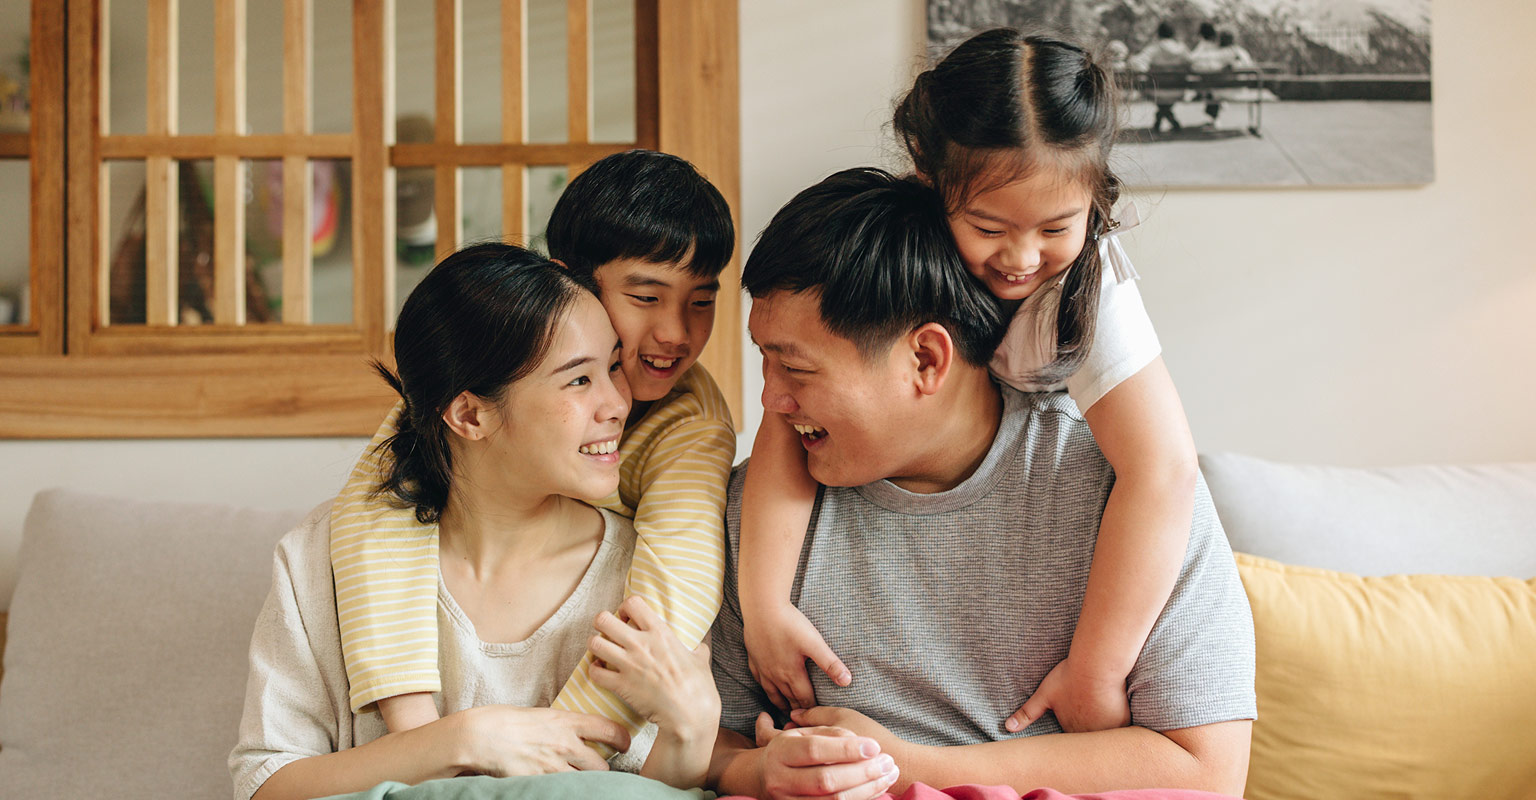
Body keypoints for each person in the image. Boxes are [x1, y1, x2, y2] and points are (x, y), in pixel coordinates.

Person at [706, 167, 1255, 799]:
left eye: (796, 368)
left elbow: (1207, 773)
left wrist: (912, 766)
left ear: (927, 359)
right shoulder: (757, 523)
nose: (770, 399)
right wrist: (752, 770)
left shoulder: (1134, 494)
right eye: (765, 360)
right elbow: (703, 743)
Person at [739, 28, 1202, 740]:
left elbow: (1164, 470)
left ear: (1094, 201)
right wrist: (765, 603)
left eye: (1056, 225)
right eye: (988, 225)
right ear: (931, 180)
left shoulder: (1086, 284)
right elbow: (784, 416)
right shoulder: (905, 237)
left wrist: (1096, 669)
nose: (1019, 258)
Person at [231, 245, 721, 799]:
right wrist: (463, 740)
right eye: (578, 381)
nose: (617, 404)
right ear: (470, 414)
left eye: (611, 366)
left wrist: (691, 736)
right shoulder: (320, 562)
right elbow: (263, 785)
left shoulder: (648, 581)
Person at [327, 150, 737, 747]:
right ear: (566, 280)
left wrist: (576, 742)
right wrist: (418, 734)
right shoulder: (473, 390)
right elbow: (375, 510)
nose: (677, 333)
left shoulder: (691, 422)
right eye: (647, 297)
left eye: (701, 301)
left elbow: (680, 576)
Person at [1131, 22, 1192, 134]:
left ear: (1158, 33)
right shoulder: (1181, 48)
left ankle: (1162, 115)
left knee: (1157, 90)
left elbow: (1137, 63)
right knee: (1166, 96)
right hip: (1178, 90)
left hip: (1156, 90)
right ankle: (1167, 117)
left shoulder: (1153, 49)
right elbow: (1191, 62)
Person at [1190, 21, 1225, 124]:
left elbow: (1191, 60)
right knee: (1212, 85)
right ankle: (1214, 114)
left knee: (1205, 83)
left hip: (1204, 85)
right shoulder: (1219, 48)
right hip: (1219, 84)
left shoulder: (1201, 47)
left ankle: (1203, 97)